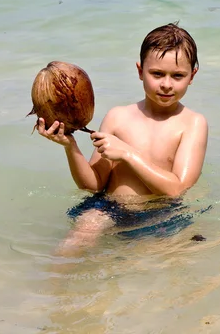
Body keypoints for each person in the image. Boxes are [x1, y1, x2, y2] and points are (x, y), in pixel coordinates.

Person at [37, 22, 208, 255]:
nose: (166, 84)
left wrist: (128, 154)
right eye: (157, 74)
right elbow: (93, 185)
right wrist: (71, 147)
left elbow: (177, 189)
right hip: (109, 208)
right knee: (74, 243)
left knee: (172, 272)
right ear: (140, 71)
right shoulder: (117, 117)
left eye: (177, 76)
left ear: (192, 76)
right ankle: (52, 290)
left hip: (163, 214)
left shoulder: (193, 123)